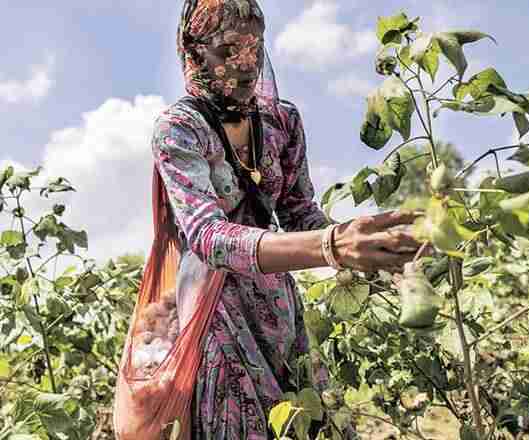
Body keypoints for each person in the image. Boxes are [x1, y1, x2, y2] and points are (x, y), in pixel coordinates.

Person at [152, 0, 422, 438]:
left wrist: (363, 243)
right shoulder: (179, 130)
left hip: (278, 305)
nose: (246, 64)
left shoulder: (280, 121)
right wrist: (332, 247)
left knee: (305, 416)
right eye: (228, 50)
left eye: (255, 48)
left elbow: (298, 214)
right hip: (215, 311)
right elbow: (207, 237)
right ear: (194, 52)